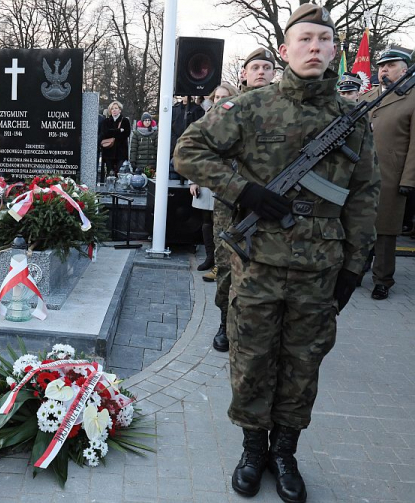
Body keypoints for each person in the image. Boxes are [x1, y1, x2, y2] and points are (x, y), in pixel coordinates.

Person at [174, 5, 379, 502]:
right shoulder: (250, 107)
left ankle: (285, 451)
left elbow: (364, 193)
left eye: (323, 40)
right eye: (303, 39)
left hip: (320, 269)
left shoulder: (351, 120)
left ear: (334, 51)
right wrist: (244, 191)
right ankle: (252, 449)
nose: (314, 47)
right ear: (285, 51)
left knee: (303, 363)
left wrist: (356, 266)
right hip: (258, 264)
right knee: (251, 359)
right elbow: (188, 151)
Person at [212, 50, 276, 354]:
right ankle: (225, 323)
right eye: (255, 67)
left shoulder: (286, 108)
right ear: (244, 73)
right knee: (227, 263)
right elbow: (205, 153)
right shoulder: (229, 109)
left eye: (267, 67)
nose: (261, 72)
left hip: (271, 202)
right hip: (230, 200)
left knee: (265, 265)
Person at [359, 45, 415, 300]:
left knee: (385, 231)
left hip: (392, 174)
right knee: (359, 224)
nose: (384, 70)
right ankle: (358, 268)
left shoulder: (412, 98)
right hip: (362, 173)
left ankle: (382, 279)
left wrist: (409, 180)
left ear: (404, 70)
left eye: (390, 65)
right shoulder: (369, 96)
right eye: (382, 65)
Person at [189, 83, 239, 278]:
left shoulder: (238, 118)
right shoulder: (205, 120)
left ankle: (222, 264)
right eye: (217, 97)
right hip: (205, 178)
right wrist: (193, 180)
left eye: (224, 97)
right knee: (207, 221)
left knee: (225, 223)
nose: (219, 101)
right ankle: (210, 257)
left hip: (228, 180)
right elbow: (195, 152)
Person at [100, 100, 131, 177]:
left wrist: (112, 133)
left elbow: (126, 134)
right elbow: (105, 133)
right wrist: (118, 131)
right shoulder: (106, 121)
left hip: (121, 151)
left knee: (120, 174)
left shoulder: (125, 121)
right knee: (110, 174)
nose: (114, 110)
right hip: (108, 151)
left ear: (120, 110)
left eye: (116, 108)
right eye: (112, 109)